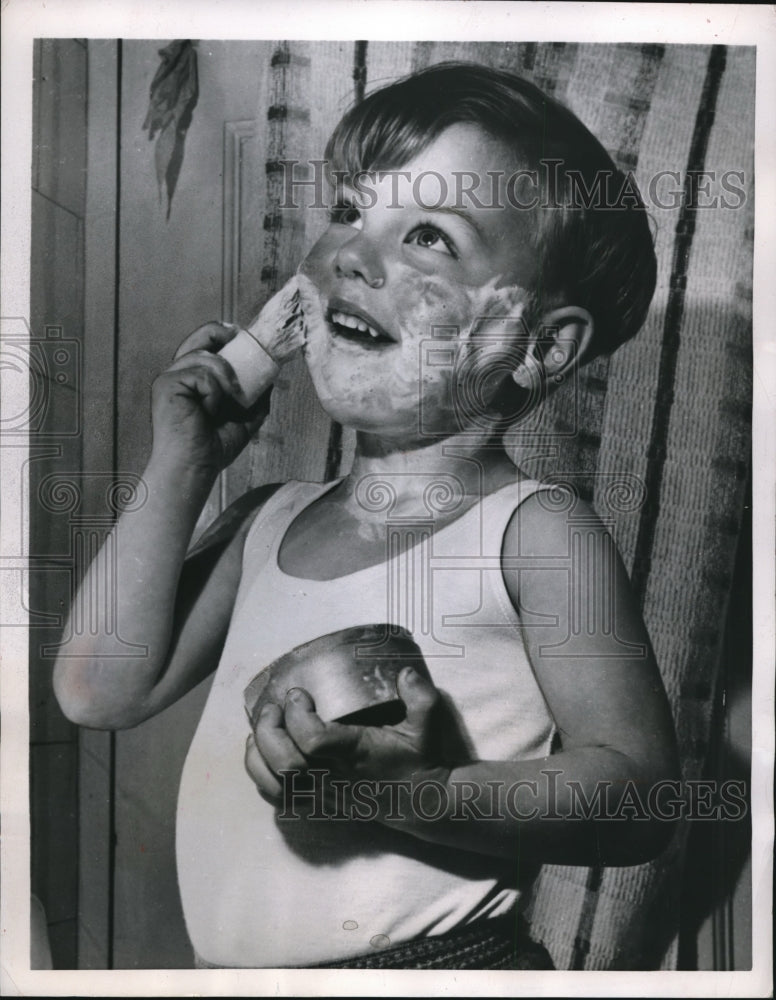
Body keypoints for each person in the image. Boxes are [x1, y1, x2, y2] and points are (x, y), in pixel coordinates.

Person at [53, 62, 680, 970]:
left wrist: (420, 793)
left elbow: (639, 799)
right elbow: (97, 690)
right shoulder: (269, 520)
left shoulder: (536, 532)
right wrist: (184, 462)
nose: (351, 252)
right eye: (350, 210)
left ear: (541, 345)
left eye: (428, 234)